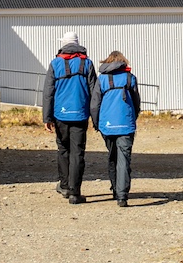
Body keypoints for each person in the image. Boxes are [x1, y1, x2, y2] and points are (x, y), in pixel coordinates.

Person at [44, 32, 97, 203]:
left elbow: (48, 93)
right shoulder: (87, 64)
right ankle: (75, 193)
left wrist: (47, 117)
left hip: (60, 114)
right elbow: (94, 92)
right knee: (77, 153)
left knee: (63, 149)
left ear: (63, 45)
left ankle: (65, 186)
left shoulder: (55, 64)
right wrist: (96, 117)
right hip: (80, 114)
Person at [90, 49, 140, 208]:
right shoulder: (130, 78)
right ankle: (122, 195)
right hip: (126, 125)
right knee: (124, 159)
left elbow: (94, 104)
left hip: (107, 125)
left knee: (112, 156)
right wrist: (133, 117)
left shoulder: (102, 79)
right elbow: (136, 102)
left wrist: (97, 123)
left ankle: (115, 189)